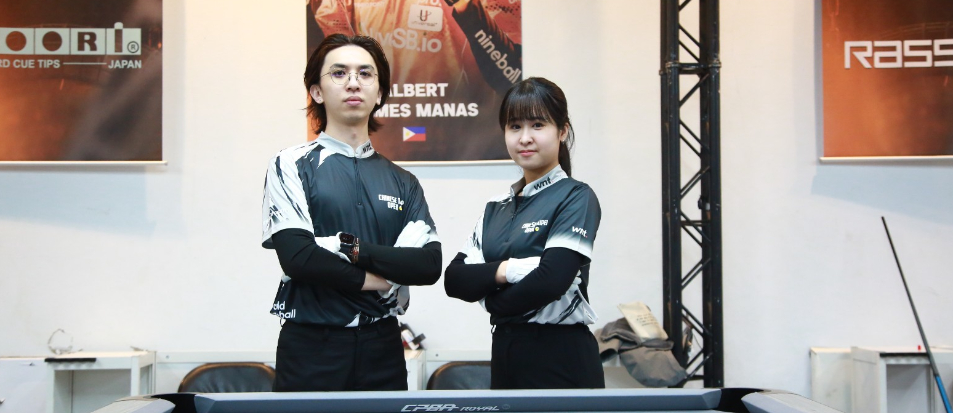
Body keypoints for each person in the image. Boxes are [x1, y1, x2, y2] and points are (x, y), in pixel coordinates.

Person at [260, 34, 442, 392]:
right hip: (312, 345)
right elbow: (299, 258)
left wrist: (346, 248)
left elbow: (427, 265)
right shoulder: (290, 164)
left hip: (384, 346)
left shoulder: (403, 181)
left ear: (380, 93)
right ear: (316, 92)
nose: (353, 82)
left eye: (365, 73)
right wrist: (384, 278)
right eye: (339, 73)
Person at [444, 77, 605, 389]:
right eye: (515, 126)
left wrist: (492, 302)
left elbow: (551, 280)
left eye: (538, 125)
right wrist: (509, 270)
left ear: (562, 131)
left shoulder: (576, 196)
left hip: (562, 356)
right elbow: (455, 279)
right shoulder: (495, 208)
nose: (525, 138)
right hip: (505, 352)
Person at [309, 0, 522, 162]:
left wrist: (467, 6)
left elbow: (511, 80)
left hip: (469, 152)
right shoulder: (336, 6)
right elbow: (334, 72)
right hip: (374, 153)